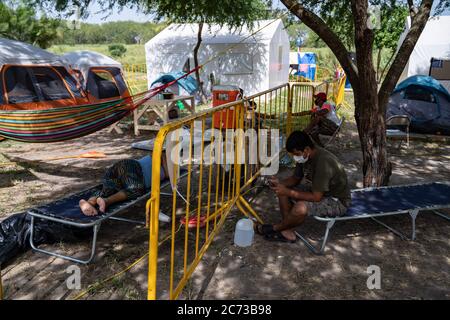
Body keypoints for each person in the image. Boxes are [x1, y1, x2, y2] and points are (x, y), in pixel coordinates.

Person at [255, 131, 351, 243]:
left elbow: (316, 198)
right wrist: (279, 183)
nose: (295, 158)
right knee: (282, 192)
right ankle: (288, 232)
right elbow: (295, 178)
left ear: (306, 150)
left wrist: (287, 191)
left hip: (337, 201)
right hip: (320, 192)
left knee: (300, 208)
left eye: (296, 154)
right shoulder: (304, 156)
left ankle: (276, 228)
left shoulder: (323, 162)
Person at [79, 154, 169, 216]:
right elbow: (167, 170)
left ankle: (89, 202)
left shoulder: (171, 163)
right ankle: (106, 201)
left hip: (119, 171)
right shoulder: (164, 155)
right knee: (136, 190)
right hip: (131, 168)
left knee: (109, 189)